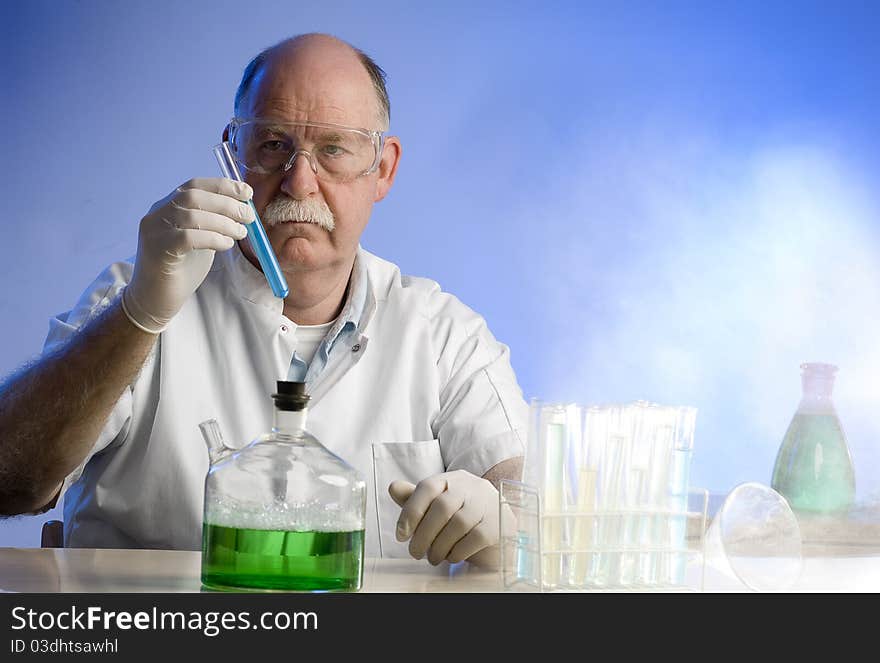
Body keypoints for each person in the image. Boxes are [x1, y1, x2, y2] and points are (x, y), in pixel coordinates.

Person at [0, 33, 527, 568]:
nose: (299, 183)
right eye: (273, 145)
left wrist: (505, 519)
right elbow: (9, 481)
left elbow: (525, 509)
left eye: (334, 149)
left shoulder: (443, 337)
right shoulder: (137, 301)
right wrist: (138, 315)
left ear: (383, 168)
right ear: (233, 153)